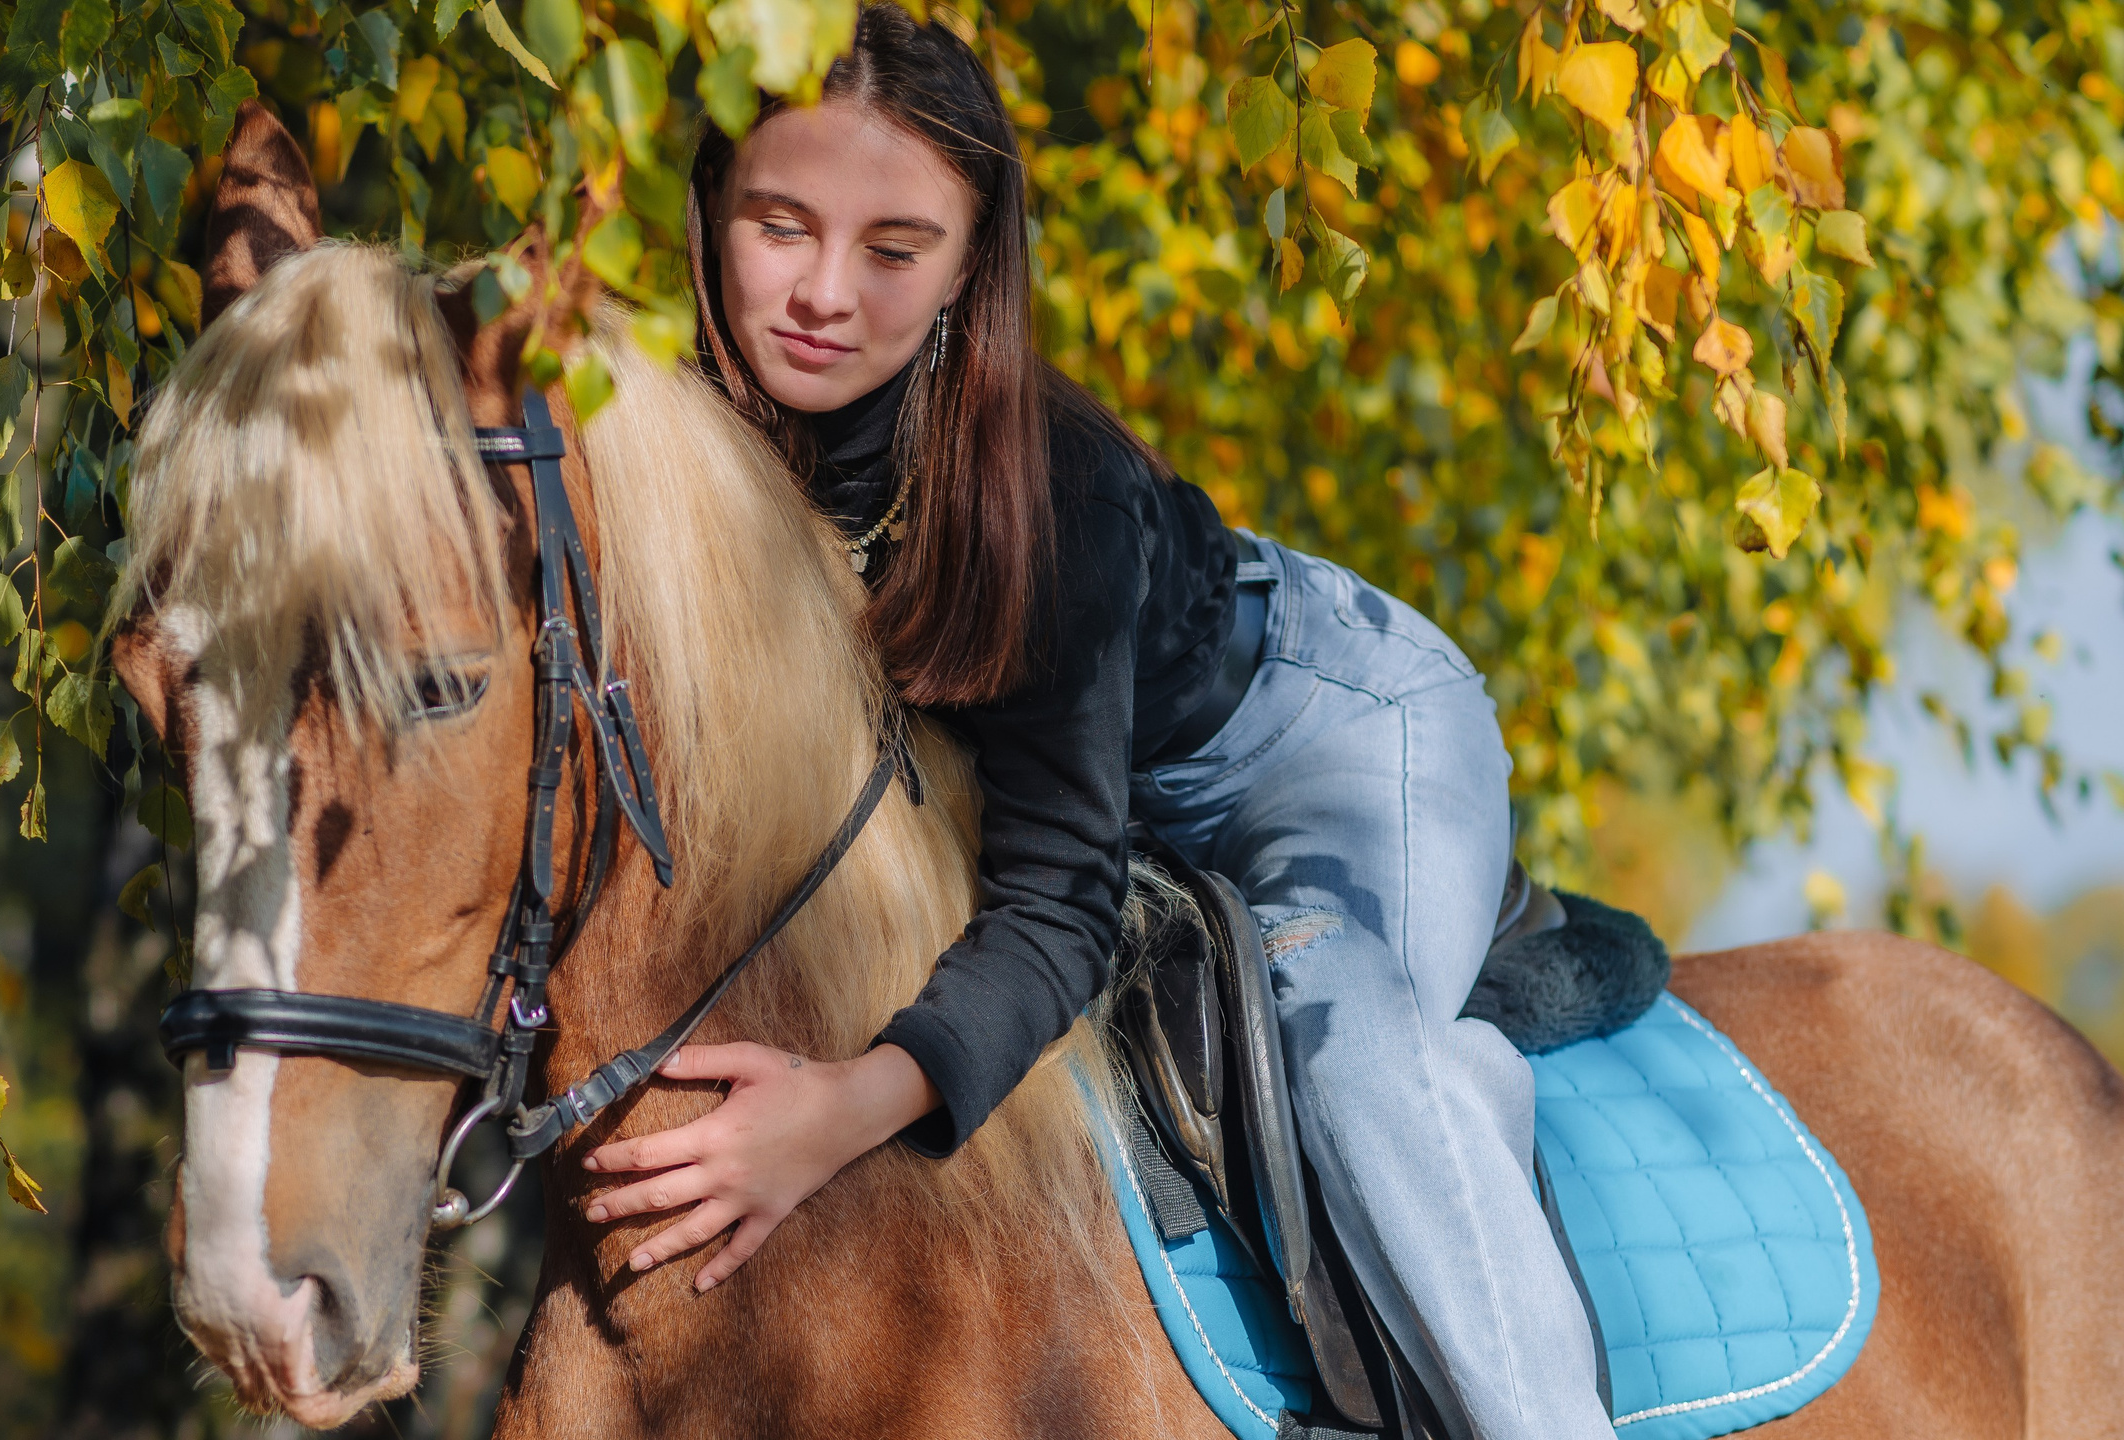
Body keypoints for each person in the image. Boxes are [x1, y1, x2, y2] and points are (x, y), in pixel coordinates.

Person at [577, 10, 1612, 1438]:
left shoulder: (1051, 495)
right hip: (1072, 769)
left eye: (895, 250)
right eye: (780, 225)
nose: (823, 293)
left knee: (1335, 1018)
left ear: (967, 268)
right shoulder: (680, 437)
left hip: (1320, 730)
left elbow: (1059, 905)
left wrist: (835, 1111)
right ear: (710, 210)